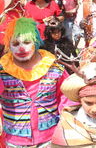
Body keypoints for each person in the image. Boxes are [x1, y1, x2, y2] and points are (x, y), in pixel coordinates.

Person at [0, 18, 71, 147]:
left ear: (36, 41)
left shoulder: (54, 68)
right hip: (14, 140)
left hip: (50, 138)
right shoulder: (2, 71)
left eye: (27, 42)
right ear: (9, 46)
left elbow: (67, 97)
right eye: (15, 44)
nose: (21, 48)